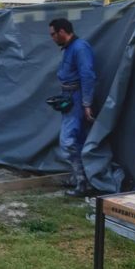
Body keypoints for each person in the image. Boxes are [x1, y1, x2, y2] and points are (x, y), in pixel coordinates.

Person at [49, 18, 96, 197]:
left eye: (53, 34)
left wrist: (86, 104)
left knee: (68, 142)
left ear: (62, 31)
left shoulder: (80, 48)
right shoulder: (69, 48)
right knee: (77, 141)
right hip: (69, 97)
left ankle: (83, 183)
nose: (52, 38)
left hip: (77, 99)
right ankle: (77, 178)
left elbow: (88, 75)